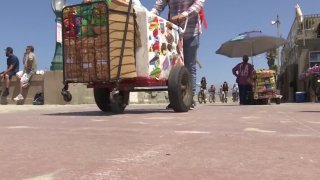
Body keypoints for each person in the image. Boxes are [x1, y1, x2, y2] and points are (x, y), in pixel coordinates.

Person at [151, 0, 205, 110]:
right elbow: (159, 5)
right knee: (173, 66)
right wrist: (151, 14)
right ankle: (176, 99)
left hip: (191, 31)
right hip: (173, 31)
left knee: (190, 65)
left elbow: (199, 3)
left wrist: (185, 14)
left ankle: (189, 98)